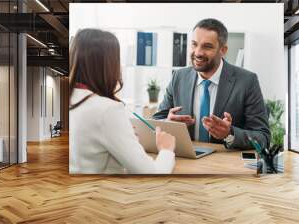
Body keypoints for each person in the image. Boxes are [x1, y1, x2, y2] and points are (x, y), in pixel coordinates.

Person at [69, 28, 176, 174]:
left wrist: (122, 137)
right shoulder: (107, 109)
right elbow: (153, 173)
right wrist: (166, 149)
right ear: (109, 64)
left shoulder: (71, 99)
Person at [153, 18, 270, 150]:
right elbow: (155, 122)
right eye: (194, 44)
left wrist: (229, 134)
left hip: (223, 166)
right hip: (185, 161)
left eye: (207, 46)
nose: (197, 52)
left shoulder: (247, 81)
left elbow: (263, 137)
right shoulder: (178, 77)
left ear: (223, 50)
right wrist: (168, 123)